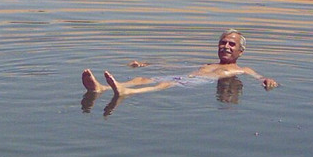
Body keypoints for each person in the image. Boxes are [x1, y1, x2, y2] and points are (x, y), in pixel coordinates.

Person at [81, 29, 278, 99]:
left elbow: (259, 77)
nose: (226, 46)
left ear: (240, 51)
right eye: (223, 42)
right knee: (142, 78)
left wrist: (266, 80)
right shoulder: (209, 63)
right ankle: (102, 88)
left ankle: (128, 92)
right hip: (185, 77)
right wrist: (145, 64)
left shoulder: (241, 69)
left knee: (165, 84)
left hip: (194, 82)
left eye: (231, 44)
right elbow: (177, 65)